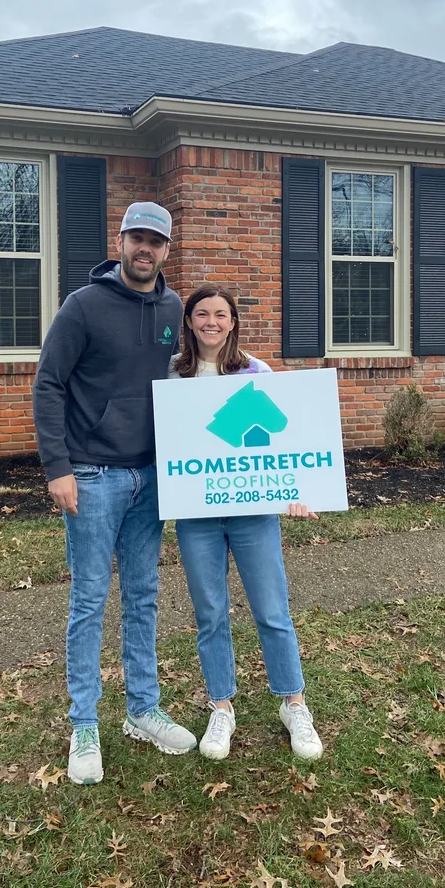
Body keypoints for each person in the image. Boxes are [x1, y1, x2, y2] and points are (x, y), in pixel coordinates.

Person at [33, 201, 197, 786]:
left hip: (151, 477)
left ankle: (142, 710)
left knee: (144, 595)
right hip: (93, 475)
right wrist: (57, 467)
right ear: (121, 241)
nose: (145, 249)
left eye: (156, 241)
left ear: (167, 250)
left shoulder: (174, 309)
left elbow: (200, 368)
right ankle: (84, 725)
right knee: (89, 599)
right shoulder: (83, 306)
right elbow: (48, 384)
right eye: (137, 238)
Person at [168, 284, 324, 763]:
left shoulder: (256, 372)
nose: (211, 322)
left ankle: (294, 704)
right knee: (210, 613)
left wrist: (297, 492)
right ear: (189, 321)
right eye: (202, 314)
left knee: (272, 610)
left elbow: (286, 443)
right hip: (196, 514)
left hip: (253, 513)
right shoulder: (172, 373)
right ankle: (221, 707)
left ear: (233, 321)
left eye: (220, 314)